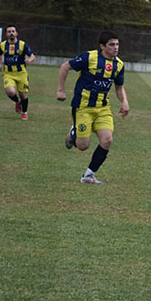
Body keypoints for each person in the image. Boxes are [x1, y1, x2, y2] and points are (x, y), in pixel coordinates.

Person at [57, 31, 129, 185]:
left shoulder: (119, 64)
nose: (115, 48)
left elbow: (118, 87)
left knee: (107, 140)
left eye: (117, 44)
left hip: (103, 109)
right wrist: (61, 90)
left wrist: (124, 101)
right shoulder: (89, 57)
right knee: (83, 146)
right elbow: (65, 67)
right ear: (102, 46)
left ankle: (88, 175)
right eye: (111, 44)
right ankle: (73, 132)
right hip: (83, 107)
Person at [0, 24, 35, 120]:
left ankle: (24, 112)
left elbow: (32, 56)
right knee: (10, 91)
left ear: (16, 33)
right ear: (6, 34)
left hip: (21, 74)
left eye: (13, 31)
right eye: (9, 32)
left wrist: (29, 60)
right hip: (8, 73)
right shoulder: (2, 45)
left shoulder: (22, 45)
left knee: (23, 95)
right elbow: (0, 54)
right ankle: (17, 102)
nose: (11, 33)